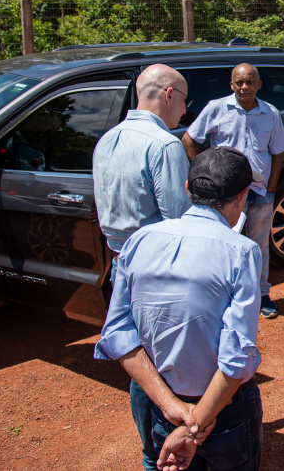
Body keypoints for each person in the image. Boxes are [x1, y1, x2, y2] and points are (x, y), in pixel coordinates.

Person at [96, 147, 266, 471]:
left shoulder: (138, 241)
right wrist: (197, 422)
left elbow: (117, 334)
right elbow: (236, 357)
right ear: (242, 196)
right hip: (225, 411)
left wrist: (172, 406)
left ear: (188, 190)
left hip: (163, 404)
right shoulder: (241, 251)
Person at [92, 63, 192, 471]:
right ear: (168, 95)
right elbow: (179, 218)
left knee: (140, 364)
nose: (185, 111)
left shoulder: (107, 139)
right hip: (160, 268)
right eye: (185, 100)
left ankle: (150, 451)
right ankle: (166, 448)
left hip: (121, 265)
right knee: (168, 364)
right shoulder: (164, 145)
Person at [181, 63, 284, 319]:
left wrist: (272, 187)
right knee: (224, 245)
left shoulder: (270, 113)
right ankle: (224, 295)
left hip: (260, 191)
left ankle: (262, 295)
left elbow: (278, 153)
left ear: (259, 85)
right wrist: (204, 172)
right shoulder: (216, 108)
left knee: (260, 245)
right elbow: (189, 139)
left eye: (250, 82)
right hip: (225, 195)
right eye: (239, 82)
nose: (244, 87)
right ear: (231, 85)